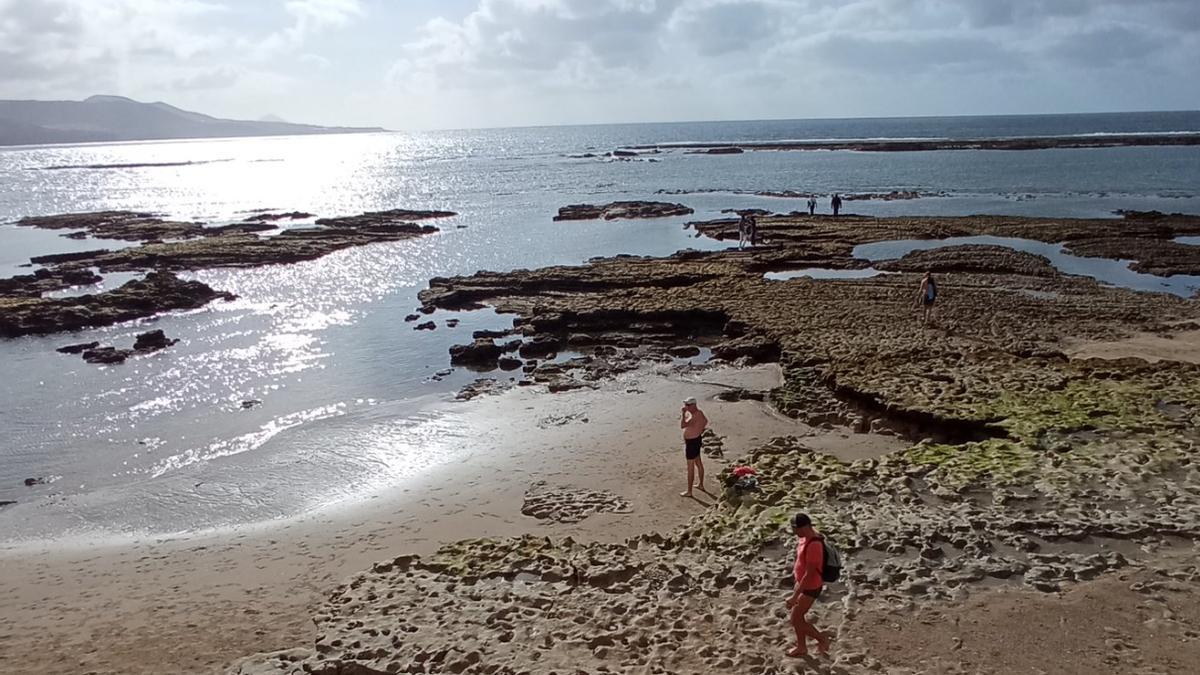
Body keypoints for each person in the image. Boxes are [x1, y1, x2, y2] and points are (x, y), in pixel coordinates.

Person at [786, 512, 831, 658]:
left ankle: (822, 639)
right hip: (802, 583)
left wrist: (795, 596)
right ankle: (802, 647)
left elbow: (810, 573)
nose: (794, 532)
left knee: (795, 618)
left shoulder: (814, 545)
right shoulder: (806, 537)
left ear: (804, 527)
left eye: (795, 529)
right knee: (798, 618)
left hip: (810, 586)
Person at [679, 396, 708, 496]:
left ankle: (689, 491)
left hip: (692, 442)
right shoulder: (699, 413)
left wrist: (683, 414)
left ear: (693, 405)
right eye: (685, 405)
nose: (685, 407)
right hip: (696, 439)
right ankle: (701, 484)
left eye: (687, 405)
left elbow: (683, 425)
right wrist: (699, 429)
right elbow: (705, 421)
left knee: (690, 467)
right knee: (698, 462)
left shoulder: (695, 415)